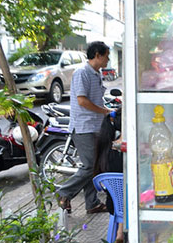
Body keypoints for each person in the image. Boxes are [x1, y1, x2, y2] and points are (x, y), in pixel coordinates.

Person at [56, 41, 111, 214]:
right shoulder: (82, 72)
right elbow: (82, 100)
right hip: (83, 126)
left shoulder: (96, 74)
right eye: (107, 56)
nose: (108, 60)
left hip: (95, 126)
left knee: (94, 166)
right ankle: (63, 192)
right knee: (89, 166)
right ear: (97, 55)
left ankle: (92, 203)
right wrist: (104, 111)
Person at [94, 110, 124, 243]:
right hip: (131, 205)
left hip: (114, 206)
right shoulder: (125, 153)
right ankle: (121, 232)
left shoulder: (104, 149)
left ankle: (119, 232)